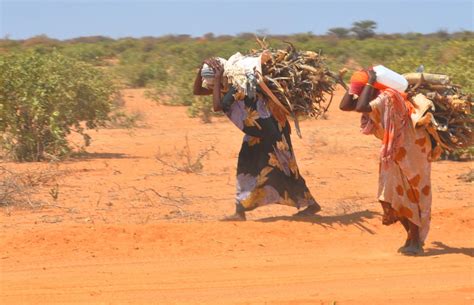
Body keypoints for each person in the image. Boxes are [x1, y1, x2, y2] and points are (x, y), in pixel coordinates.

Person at [194, 58, 321, 221]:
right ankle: (240, 211)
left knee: (286, 167)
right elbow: (198, 91)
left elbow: (218, 106)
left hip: (273, 131)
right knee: (247, 165)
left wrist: (217, 79)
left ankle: (311, 204)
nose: (212, 87)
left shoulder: (237, 84)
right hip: (258, 132)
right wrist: (200, 70)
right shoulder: (225, 85)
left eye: (213, 83)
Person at [339, 69, 433, 255]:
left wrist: (369, 83)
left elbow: (361, 107)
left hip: (411, 151)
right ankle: (410, 237)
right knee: (391, 194)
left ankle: (415, 240)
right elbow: (345, 105)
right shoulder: (376, 95)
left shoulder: (389, 96)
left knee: (410, 193)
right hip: (394, 152)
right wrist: (354, 88)